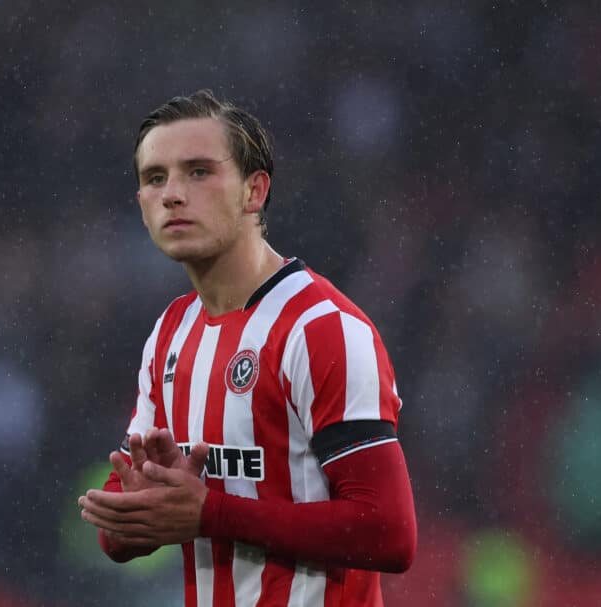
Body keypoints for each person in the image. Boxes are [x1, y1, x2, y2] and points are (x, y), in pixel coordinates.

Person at [78, 90, 417, 606]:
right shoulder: (170, 332)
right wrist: (148, 498)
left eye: (197, 172)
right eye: (155, 178)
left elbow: (390, 532)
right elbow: (115, 539)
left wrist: (209, 513)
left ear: (254, 191)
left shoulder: (322, 328)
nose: (172, 194)